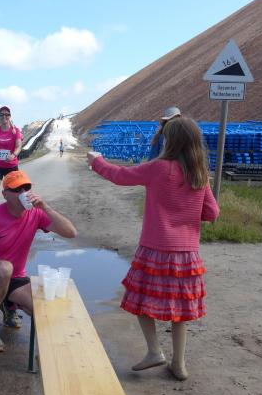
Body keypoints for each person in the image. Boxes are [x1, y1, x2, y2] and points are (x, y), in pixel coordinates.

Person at [87, 117, 219, 381]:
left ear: (170, 141)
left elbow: (120, 176)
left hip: (155, 249)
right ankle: (179, 364)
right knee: (180, 311)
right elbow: (212, 213)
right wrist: (188, 213)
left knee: (139, 301)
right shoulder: (200, 175)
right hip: (187, 255)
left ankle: (154, 351)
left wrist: (96, 161)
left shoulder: (158, 168)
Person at [0, 170, 77, 352]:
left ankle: (8, 305)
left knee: (42, 310)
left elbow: (71, 233)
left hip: (16, 278)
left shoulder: (36, 213)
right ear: (5, 194)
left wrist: (45, 207)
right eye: (17, 189)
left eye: (26, 188)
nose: (23, 193)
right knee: (5, 268)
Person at [0, 105, 23, 208]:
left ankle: (15, 214)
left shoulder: (15, 131)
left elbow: (19, 146)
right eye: (1, 115)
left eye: (6, 114)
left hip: (11, 166)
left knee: (15, 194)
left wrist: (13, 155)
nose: (4, 116)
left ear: (10, 116)